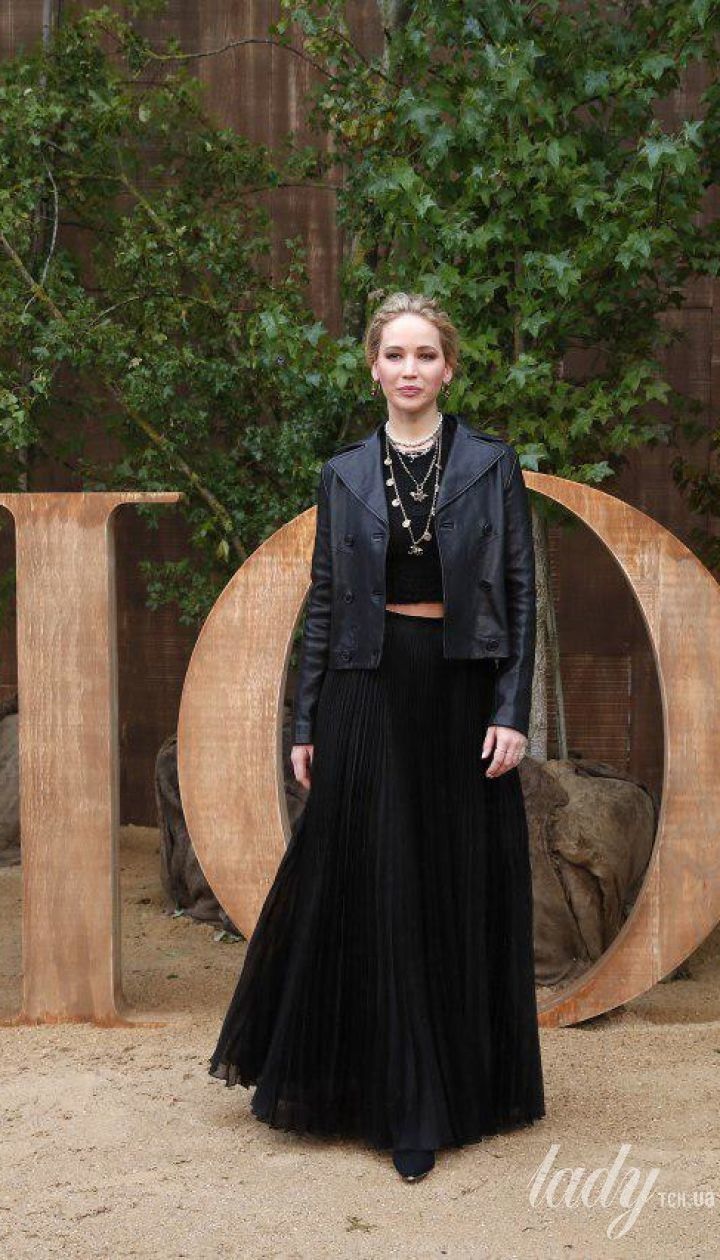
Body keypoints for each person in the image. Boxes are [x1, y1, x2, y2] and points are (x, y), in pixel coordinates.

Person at [208, 291, 546, 1182]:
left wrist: (510, 710)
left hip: (460, 689)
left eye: (426, 354)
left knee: (447, 878)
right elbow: (325, 600)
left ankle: (450, 1087)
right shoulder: (345, 472)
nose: (409, 368)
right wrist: (305, 719)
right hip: (365, 687)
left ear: (449, 368)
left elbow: (519, 595)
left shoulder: (491, 464)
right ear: (373, 368)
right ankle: (400, 1102)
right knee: (378, 878)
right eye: (394, 354)